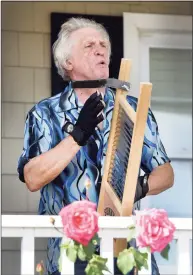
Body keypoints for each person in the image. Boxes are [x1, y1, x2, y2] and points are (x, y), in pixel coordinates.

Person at [17, 17, 174, 275]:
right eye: (89, 45)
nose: (100, 49)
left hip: (126, 251)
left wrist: (140, 186)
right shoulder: (44, 114)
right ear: (68, 63)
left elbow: (165, 173)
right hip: (71, 253)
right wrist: (78, 135)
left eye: (103, 44)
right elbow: (32, 178)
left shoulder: (132, 108)